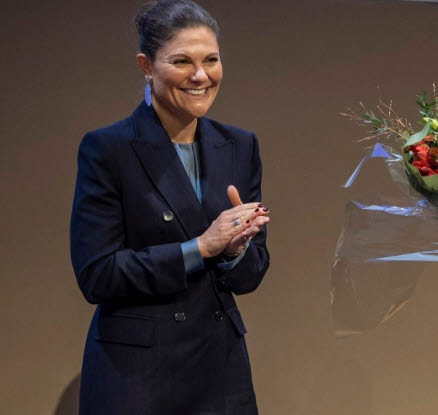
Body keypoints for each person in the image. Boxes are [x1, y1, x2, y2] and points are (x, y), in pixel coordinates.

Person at [70, 1, 269, 413]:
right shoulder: (108, 148)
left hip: (220, 369)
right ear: (146, 65)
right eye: (182, 61)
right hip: (138, 376)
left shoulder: (239, 145)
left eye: (211, 60)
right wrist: (201, 247)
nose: (201, 76)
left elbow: (250, 275)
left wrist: (236, 251)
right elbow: (98, 276)